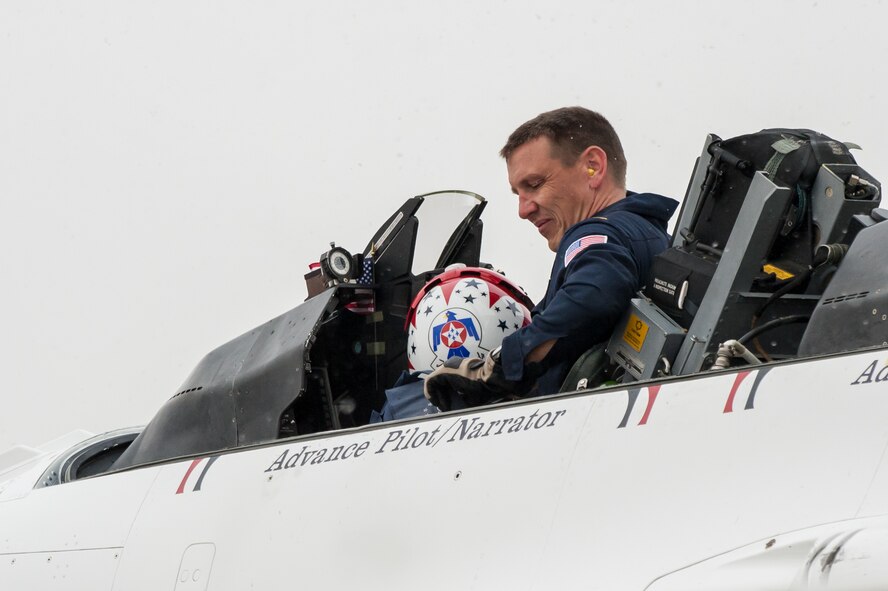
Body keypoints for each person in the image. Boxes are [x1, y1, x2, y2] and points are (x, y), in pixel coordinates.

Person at [424, 107, 679, 410]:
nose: (523, 210)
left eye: (533, 185)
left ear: (593, 167)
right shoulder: (649, 234)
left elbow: (594, 295)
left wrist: (499, 369)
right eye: (517, 193)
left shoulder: (596, 232)